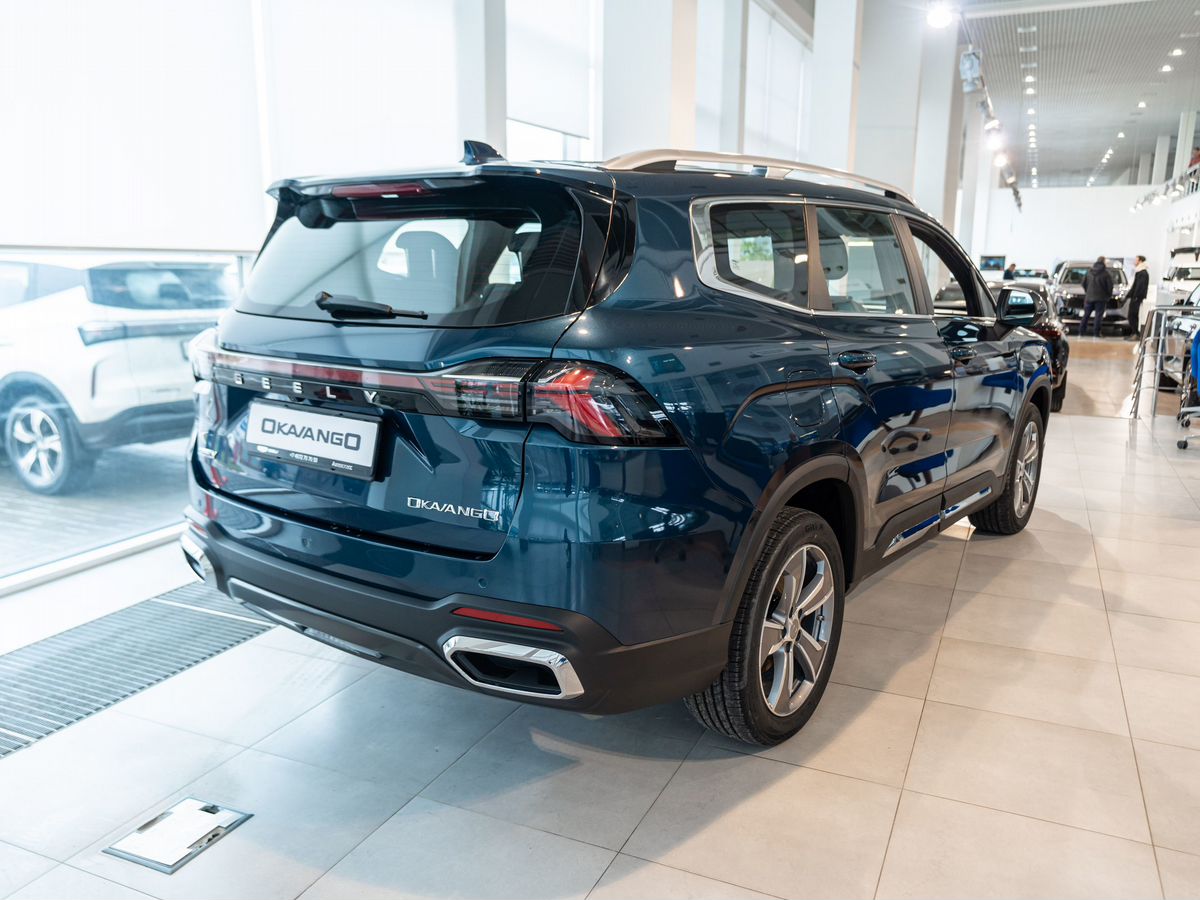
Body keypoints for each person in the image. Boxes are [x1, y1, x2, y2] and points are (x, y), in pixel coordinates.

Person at [1080, 256, 1112, 338]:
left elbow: (1083, 283)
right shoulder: (1106, 273)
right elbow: (1110, 287)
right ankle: (1096, 333)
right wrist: (1108, 296)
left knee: (1086, 315)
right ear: (1103, 262)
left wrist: (1088, 292)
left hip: (1089, 297)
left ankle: (1081, 332)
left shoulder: (1089, 272)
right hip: (1101, 298)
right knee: (1098, 316)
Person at [1124, 254, 1149, 341]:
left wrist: (1136, 297)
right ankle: (1134, 333)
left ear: (1140, 261)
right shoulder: (1139, 271)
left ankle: (1136, 334)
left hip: (1137, 298)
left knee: (1132, 315)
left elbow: (1140, 287)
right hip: (1135, 297)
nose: (1135, 261)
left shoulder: (1143, 272)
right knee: (1132, 315)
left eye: (1136, 260)